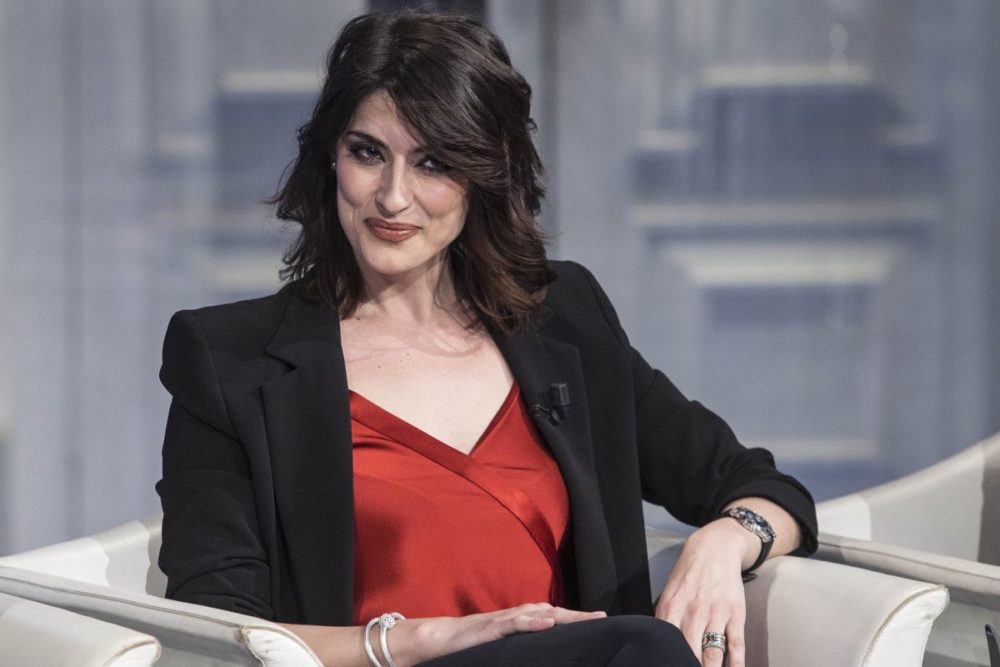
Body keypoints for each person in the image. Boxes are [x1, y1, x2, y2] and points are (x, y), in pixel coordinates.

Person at [156, 9, 817, 667]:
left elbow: (762, 486)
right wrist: (417, 639)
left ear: (483, 175)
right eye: (368, 153)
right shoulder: (229, 360)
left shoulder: (565, 318)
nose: (393, 197)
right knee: (643, 645)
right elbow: (217, 628)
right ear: (330, 157)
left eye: (433, 163)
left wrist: (721, 544)